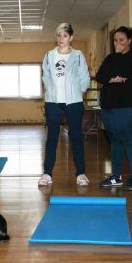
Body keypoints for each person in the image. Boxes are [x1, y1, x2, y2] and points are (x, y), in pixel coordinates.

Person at [38, 23, 91, 187]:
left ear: (71, 38)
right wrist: (50, 91)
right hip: (53, 102)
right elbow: (45, 76)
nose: (61, 39)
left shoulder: (78, 55)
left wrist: (78, 92)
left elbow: (84, 77)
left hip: (73, 102)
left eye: (65, 36)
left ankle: (81, 173)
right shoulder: (49, 55)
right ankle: (47, 173)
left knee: (76, 136)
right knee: (52, 137)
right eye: (59, 35)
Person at [96, 26, 132, 191]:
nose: (118, 43)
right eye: (115, 40)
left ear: (130, 40)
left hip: (129, 105)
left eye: (121, 40)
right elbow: (100, 76)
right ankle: (116, 176)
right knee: (115, 140)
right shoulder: (110, 58)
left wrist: (116, 79)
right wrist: (112, 79)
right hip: (109, 105)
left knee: (129, 140)